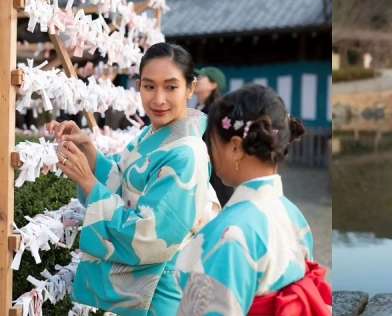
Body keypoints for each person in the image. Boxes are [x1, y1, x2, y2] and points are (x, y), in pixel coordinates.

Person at [49, 42, 217, 316]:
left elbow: (151, 234)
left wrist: (89, 183)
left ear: (190, 87)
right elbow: (127, 182)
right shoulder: (154, 133)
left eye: (171, 87)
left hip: (160, 289)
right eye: (149, 86)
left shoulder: (186, 153)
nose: (158, 99)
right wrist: (89, 151)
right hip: (147, 284)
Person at [175, 84, 332, 316]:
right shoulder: (294, 215)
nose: (211, 153)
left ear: (236, 148)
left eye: (213, 144)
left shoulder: (231, 234)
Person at [195, 66, 235, 206]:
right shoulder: (198, 107)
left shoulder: (219, 110)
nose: (196, 80)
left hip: (215, 173)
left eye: (201, 77)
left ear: (213, 84)